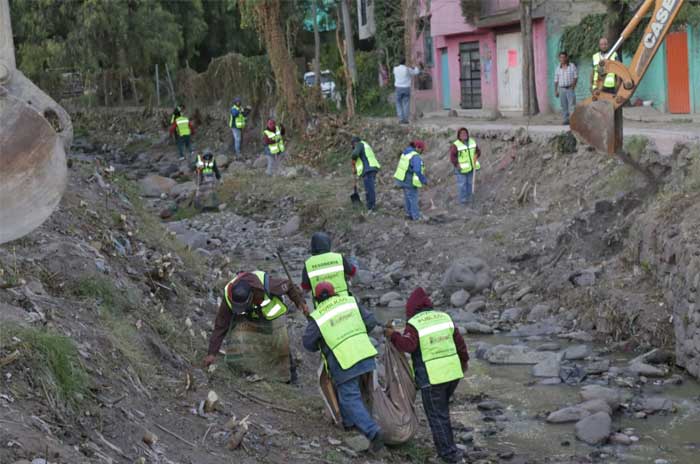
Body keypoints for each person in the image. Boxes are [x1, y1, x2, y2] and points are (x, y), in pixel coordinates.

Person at [386, 287, 469, 464]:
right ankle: (451, 448)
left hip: (432, 378)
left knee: (436, 416)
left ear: (411, 308)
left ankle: (448, 455)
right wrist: (464, 362)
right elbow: (460, 344)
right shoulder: (444, 317)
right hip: (453, 374)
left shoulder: (415, 323)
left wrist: (393, 336)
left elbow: (408, 345)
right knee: (443, 412)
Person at [303, 282, 384, 453]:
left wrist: (323, 340)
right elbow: (371, 321)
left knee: (349, 397)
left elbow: (308, 344)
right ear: (335, 293)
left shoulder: (318, 315)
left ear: (316, 299)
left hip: (344, 360)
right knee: (362, 392)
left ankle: (373, 431)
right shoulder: (350, 301)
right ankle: (349, 425)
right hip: (365, 353)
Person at [204, 270, 309, 382]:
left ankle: (291, 375)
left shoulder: (268, 285)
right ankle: (246, 367)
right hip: (250, 316)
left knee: (280, 342)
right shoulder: (228, 296)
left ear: (251, 295)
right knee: (239, 338)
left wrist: (300, 302)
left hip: (271, 315)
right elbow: (221, 324)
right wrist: (212, 353)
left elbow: (289, 285)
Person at [302, 232, 356, 307]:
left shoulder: (308, 263)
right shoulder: (338, 257)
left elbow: (305, 287)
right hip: (345, 301)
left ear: (313, 245)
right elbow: (352, 272)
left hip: (322, 306)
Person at [394, 140, 428, 221]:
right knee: (413, 198)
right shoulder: (415, 156)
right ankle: (416, 217)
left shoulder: (406, 153)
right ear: (418, 148)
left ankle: (409, 214)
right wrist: (423, 180)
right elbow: (417, 170)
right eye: (422, 149)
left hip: (402, 179)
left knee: (407, 197)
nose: (422, 151)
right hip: (409, 181)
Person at [449, 128, 480, 206]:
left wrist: (477, 155)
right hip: (461, 169)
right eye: (462, 134)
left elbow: (478, 151)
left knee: (470, 184)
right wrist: (457, 164)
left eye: (465, 133)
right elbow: (452, 157)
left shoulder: (472, 142)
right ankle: (463, 202)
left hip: (471, 168)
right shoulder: (455, 145)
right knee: (462, 185)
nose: (464, 135)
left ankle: (470, 200)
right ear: (459, 135)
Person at [351, 136, 381, 211]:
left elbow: (354, 154)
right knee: (369, 188)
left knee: (369, 189)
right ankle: (370, 205)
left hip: (368, 169)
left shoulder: (359, 144)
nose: (353, 147)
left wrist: (353, 158)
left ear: (355, 143)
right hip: (372, 167)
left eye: (353, 145)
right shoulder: (365, 144)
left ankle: (371, 206)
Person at [393, 58, 421, 124]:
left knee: (398, 103)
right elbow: (417, 72)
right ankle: (405, 120)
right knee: (406, 104)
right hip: (406, 88)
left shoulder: (395, 69)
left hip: (398, 88)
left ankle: (401, 119)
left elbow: (395, 73)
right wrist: (415, 66)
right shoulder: (407, 69)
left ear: (398, 62)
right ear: (405, 62)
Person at [554, 51, 578, 125]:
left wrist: (573, 86)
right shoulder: (558, 68)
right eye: (561, 57)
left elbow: (575, 77)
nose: (562, 59)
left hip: (570, 88)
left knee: (572, 106)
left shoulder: (572, 66)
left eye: (564, 57)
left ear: (567, 57)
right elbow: (556, 80)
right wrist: (556, 90)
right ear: (559, 59)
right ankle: (566, 120)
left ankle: (573, 120)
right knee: (564, 106)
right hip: (562, 89)